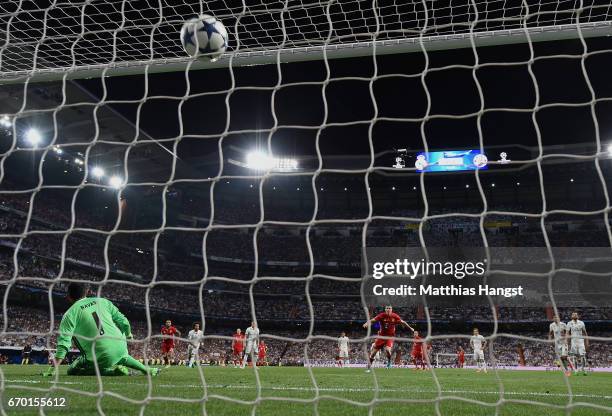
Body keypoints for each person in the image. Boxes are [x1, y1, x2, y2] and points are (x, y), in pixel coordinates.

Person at [42, 282, 160, 377]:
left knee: (72, 370)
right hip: (121, 347)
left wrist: (51, 371)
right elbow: (124, 321)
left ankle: (112, 372)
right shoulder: (103, 301)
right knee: (123, 356)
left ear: (68, 297)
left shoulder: (69, 314)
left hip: (98, 355)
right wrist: (129, 334)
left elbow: (64, 344)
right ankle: (148, 370)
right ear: (86, 292)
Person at [363, 305, 414, 371]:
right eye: (387, 308)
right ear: (385, 309)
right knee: (373, 353)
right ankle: (369, 368)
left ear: (391, 309)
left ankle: (389, 362)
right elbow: (373, 320)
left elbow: (403, 322)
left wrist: (410, 328)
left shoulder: (395, 316)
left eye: (389, 308)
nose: (388, 309)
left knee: (387, 349)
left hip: (390, 337)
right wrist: (367, 323)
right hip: (381, 337)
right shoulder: (381, 315)